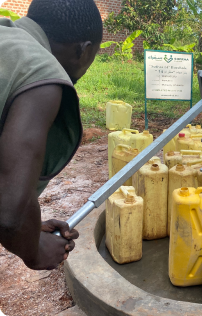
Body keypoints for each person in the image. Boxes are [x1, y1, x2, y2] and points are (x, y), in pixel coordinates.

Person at [0, 0, 102, 270]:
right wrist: (35, 250)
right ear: (84, 50)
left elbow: (6, 171)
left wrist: (32, 227)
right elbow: (9, 213)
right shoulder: (41, 75)